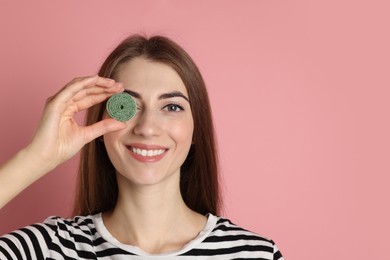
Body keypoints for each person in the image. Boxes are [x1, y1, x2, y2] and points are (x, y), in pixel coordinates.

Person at [0, 34, 283, 259]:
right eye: (128, 106)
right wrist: (38, 157)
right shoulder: (48, 248)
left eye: (171, 107)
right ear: (100, 125)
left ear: (196, 129)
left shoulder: (255, 254)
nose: (147, 127)